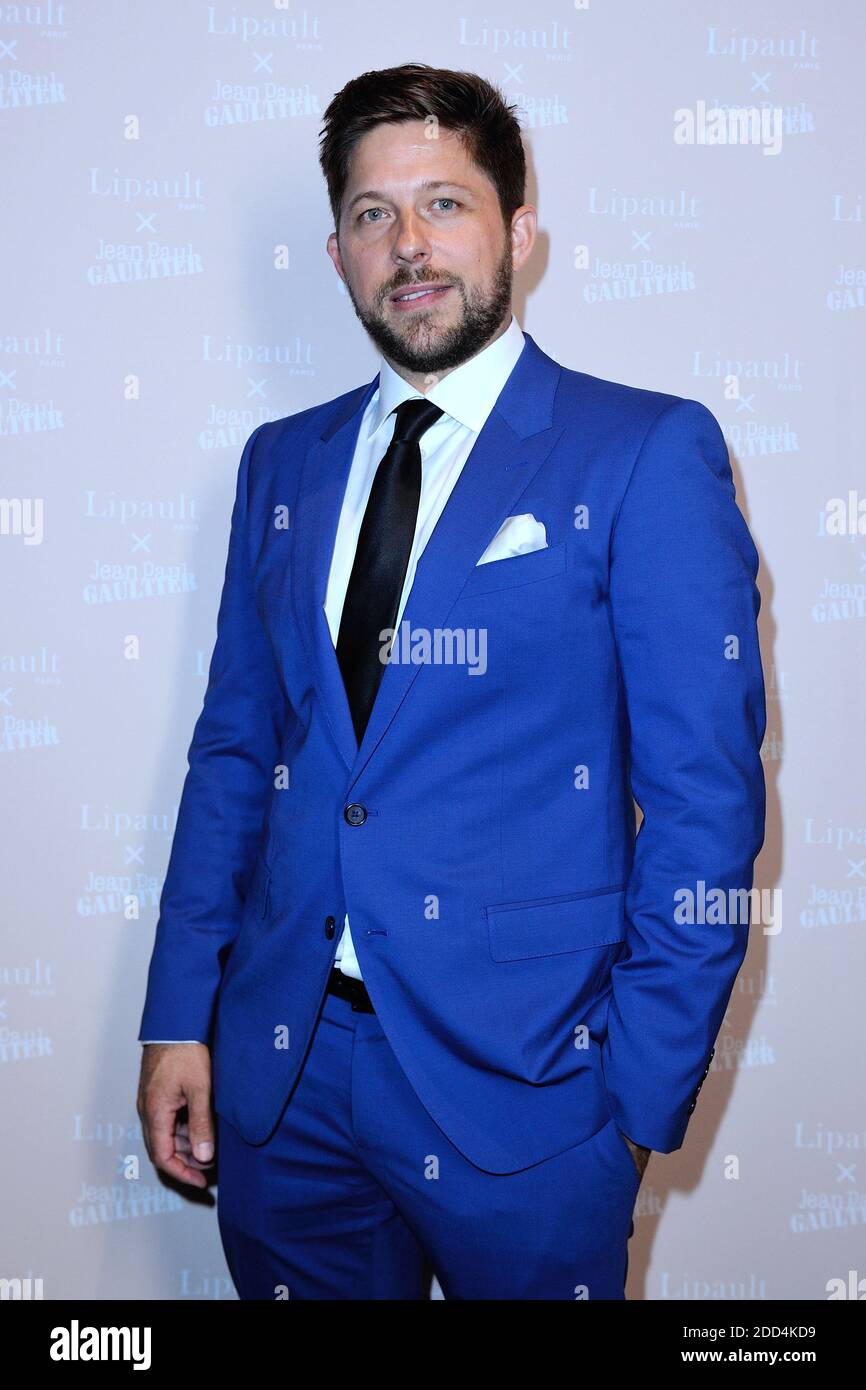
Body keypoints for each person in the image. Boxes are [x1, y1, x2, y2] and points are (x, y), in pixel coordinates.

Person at [137, 62, 767, 1300]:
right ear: (335, 253)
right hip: (284, 1073)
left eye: (444, 203)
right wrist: (178, 1014)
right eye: (373, 214)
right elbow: (233, 754)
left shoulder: (643, 450)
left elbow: (703, 803)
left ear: (518, 230)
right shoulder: (281, 463)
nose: (407, 244)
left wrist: (629, 1100)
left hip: (530, 1097)